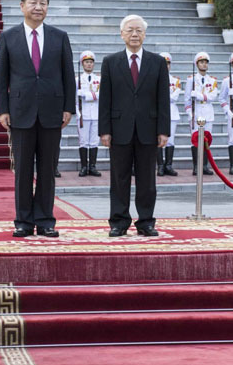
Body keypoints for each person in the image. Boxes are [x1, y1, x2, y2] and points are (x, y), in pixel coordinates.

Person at [0, 0, 76, 238]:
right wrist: (3, 109)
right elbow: (1, 77)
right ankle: (23, 221)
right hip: (20, 111)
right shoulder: (9, 37)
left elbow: (68, 75)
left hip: (53, 112)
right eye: (33, 3)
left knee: (47, 169)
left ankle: (45, 220)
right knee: (23, 170)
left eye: (42, 3)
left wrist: (69, 107)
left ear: (47, 8)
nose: (38, 7)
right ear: (22, 6)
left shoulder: (59, 36)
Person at [99, 15, 170, 237]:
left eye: (139, 30)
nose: (134, 34)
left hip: (148, 129)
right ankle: (118, 222)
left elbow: (163, 99)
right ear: (122, 34)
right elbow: (105, 99)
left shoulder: (157, 62)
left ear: (145, 34)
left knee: (147, 179)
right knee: (119, 179)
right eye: (130, 30)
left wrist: (163, 130)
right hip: (119, 129)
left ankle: (146, 221)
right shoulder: (110, 62)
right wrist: (105, 130)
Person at [184, 52, 218, 176]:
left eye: (205, 62)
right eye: (201, 62)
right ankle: (196, 166)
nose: (204, 64)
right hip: (196, 111)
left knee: (206, 140)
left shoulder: (212, 80)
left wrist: (199, 95)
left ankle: (204, 166)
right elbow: (187, 99)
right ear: (197, 64)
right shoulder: (191, 79)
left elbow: (213, 96)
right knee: (195, 140)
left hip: (208, 111)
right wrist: (189, 113)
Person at [76, 50, 101, 177]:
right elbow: (74, 99)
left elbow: (101, 95)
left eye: (91, 62)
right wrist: (77, 113)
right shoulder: (77, 80)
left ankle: (93, 166)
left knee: (94, 141)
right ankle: (84, 167)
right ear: (82, 64)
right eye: (86, 62)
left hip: (96, 114)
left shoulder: (99, 79)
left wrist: (85, 95)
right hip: (83, 115)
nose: (89, 64)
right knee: (84, 141)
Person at [157, 52, 180, 177]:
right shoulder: (153, 78)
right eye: (164, 63)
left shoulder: (175, 80)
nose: (166, 66)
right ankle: (160, 165)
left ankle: (168, 165)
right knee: (159, 140)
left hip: (172, 112)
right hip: (158, 113)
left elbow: (174, 97)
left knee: (170, 141)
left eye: (168, 63)